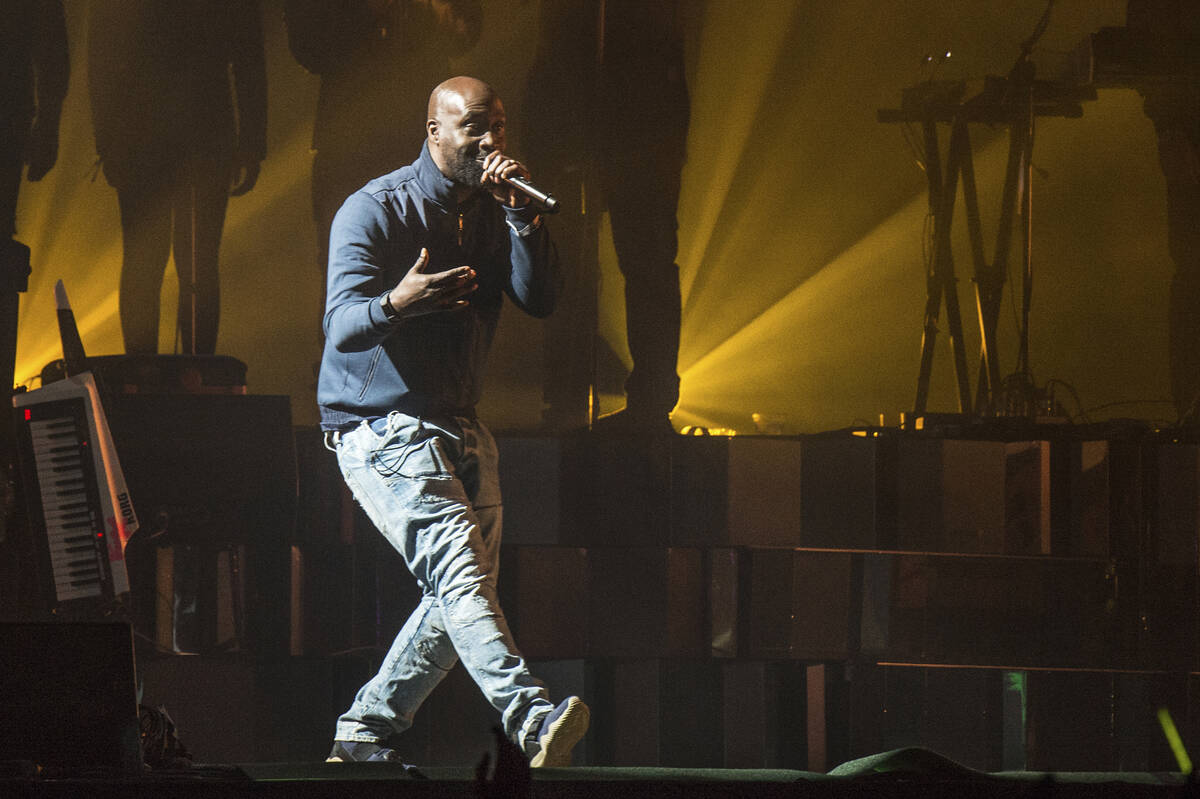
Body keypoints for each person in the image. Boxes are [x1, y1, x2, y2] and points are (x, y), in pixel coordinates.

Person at [317, 76, 589, 767]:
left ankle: (366, 728)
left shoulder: (498, 211)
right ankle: (530, 717)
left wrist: (525, 219)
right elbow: (341, 327)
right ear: (434, 131)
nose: (491, 141)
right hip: (381, 427)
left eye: (498, 125)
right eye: (473, 127)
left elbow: (541, 298)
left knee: (461, 593)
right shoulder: (374, 209)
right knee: (463, 580)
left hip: (460, 423)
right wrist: (398, 302)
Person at [525, 0, 689, 436]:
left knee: (648, 261)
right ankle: (566, 396)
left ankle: (650, 404)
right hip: (574, 112)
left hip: (642, 118)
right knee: (568, 259)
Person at [87, 0, 267, 355]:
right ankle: (195, 371)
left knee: (147, 263)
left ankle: (143, 371)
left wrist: (108, 141)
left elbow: (102, 57)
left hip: (146, 136)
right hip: (202, 135)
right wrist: (251, 143)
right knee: (195, 264)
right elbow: (249, 58)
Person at [1126, 0, 1200, 421]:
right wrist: (1169, 130)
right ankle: (1192, 416)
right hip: (1189, 134)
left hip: (1184, 132)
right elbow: (1148, 48)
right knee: (1193, 274)